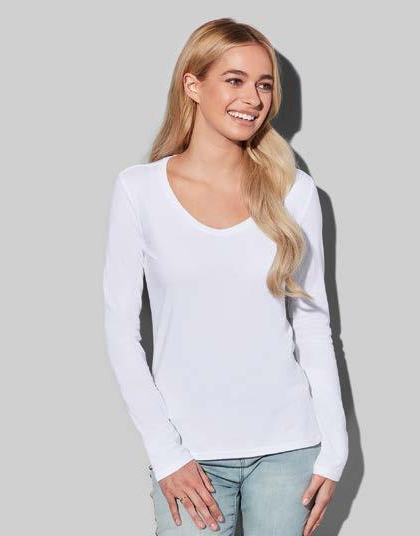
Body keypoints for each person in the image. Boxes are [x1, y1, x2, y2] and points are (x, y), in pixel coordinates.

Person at [102, 17, 348, 536]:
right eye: (234, 80)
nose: (253, 99)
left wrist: (335, 450)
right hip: (189, 455)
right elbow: (121, 333)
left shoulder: (294, 192)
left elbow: (313, 326)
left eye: (264, 84)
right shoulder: (138, 191)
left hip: (290, 450)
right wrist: (166, 453)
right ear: (193, 85)